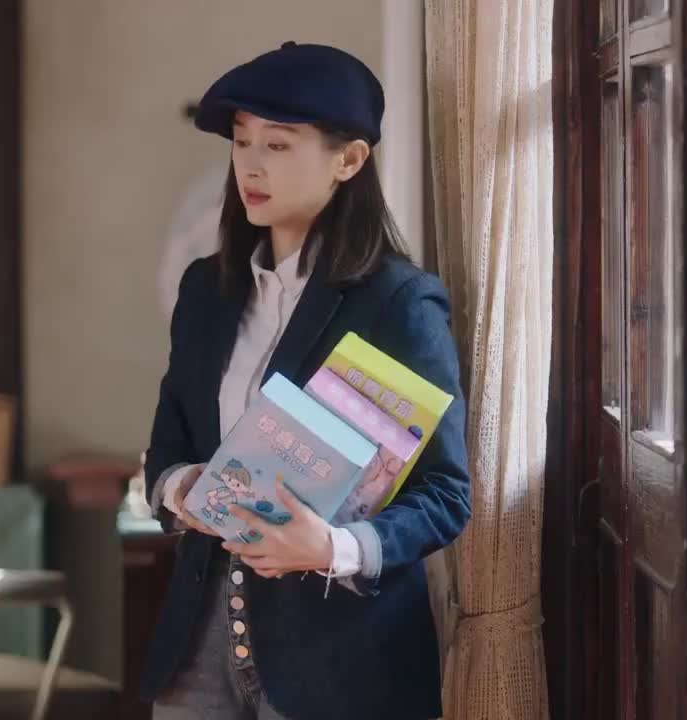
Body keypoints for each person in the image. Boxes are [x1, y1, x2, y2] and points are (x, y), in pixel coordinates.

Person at [140, 41, 472, 720]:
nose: (251, 165)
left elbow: (445, 494)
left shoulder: (398, 302)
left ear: (348, 160)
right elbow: (166, 449)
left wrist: (333, 548)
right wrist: (182, 487)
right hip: (199, 644)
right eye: (241, 142)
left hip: (338, 662)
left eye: (278, 145)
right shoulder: (206, 290)